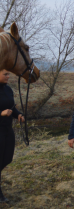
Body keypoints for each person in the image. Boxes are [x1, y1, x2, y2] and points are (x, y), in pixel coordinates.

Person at [0, 69, 25, 203]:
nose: (8, 76)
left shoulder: (8, 89)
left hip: (7, 129)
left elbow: (12, 108)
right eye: (5, 74)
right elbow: (4, 111)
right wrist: (1, 113)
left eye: (8, 74)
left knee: (7, 158)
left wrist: (19, 114)